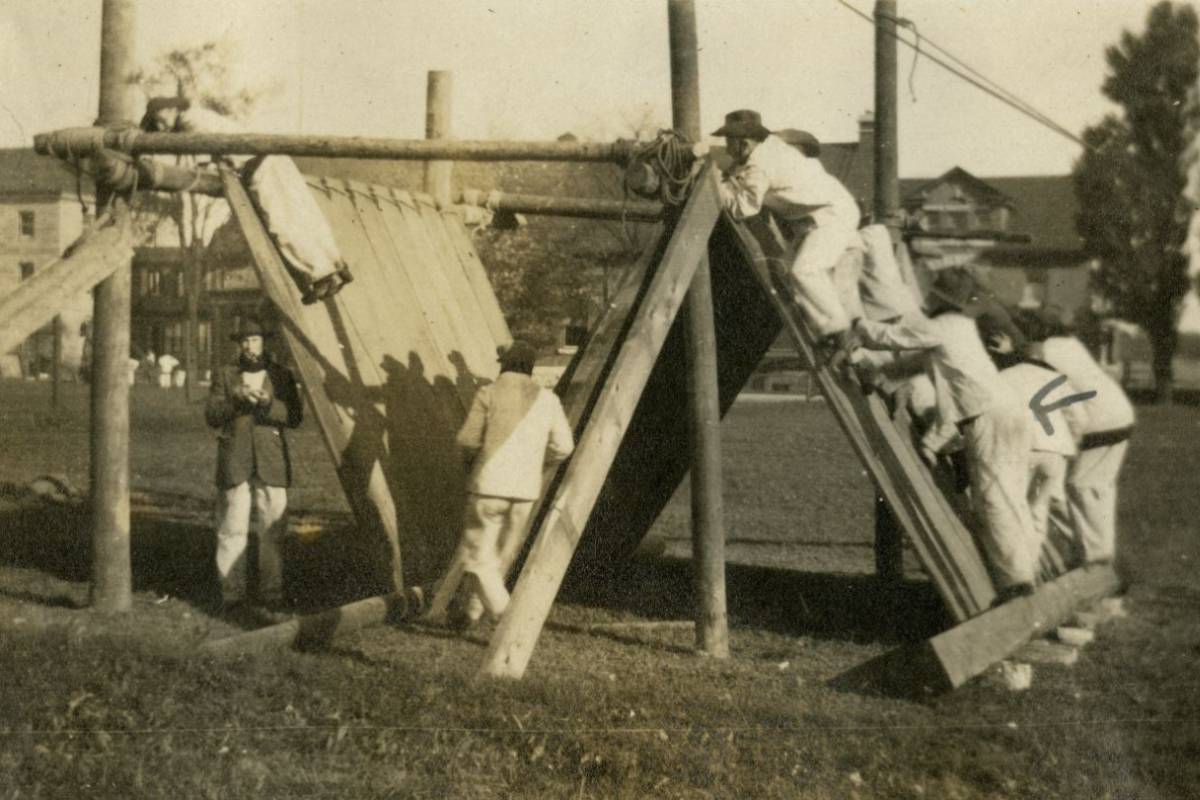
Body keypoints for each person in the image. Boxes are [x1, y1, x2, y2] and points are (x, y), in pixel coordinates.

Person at [849, 267, 1041, 603]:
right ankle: (1026, 574)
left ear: (937, 299)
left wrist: (853, 327)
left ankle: (1016, 585)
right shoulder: (960, 327)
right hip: (1011, 412)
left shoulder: (936, 326)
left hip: (988, 417)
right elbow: (917, 363)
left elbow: (890, 338)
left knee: (994, 500)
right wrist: (881, 374)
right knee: (1012, 496)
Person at [141, 96, 352, 305]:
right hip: (271, 159)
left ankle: (321, 276)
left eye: (160, 119)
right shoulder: (201, 116)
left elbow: (203, 164)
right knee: (304, 213)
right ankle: (337, 264)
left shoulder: (189, 122)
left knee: (281, 223)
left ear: (171, 109)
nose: (160, 127)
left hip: (259, 167)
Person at [714, 109, 860, 357]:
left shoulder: (760, 165)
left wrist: (716, 186)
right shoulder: (768, 149)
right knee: (790, 278)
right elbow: (741, 175)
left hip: (832, 215)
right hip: (819, 215)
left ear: (744, 143)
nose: (727, 149)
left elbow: (743, 207)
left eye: (730, 142)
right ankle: (836, 339)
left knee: (805, 271)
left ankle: (841, 332)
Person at [448, 340, 575, 627]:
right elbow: (565, 446)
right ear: (530, 368)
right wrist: (539, 462)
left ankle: (509, 620)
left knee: (477, 556)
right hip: (526, 490)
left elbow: (467, 440)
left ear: (504, 365)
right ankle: (470, 612)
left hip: (488, 486)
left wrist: (471, 459)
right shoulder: (548, 399)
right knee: (499, 559)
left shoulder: (488, 393)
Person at [1017, 309, 1135, 567]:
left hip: (1098, 422)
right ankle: (1095, 554)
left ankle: (1097, 560)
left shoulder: (1046, 349)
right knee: (1097, 487)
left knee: (1083, 486)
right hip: (1117, 415)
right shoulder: (1070, 344)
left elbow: (1027, 364)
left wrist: (1010, 349)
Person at [205, 319, 303, 620]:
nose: (249, 346)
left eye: (255, 340)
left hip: (270, 460)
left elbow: (294, 416)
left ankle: (271, 594)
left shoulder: (281, 375)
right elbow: (211, 415)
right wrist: (235, 401)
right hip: (236, 458)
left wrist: (268, 402)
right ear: (239, 345)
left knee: (272, 530)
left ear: (265, 343)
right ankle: (230, 595)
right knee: (231, 528)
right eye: (245, 341)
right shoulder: (226, 374)